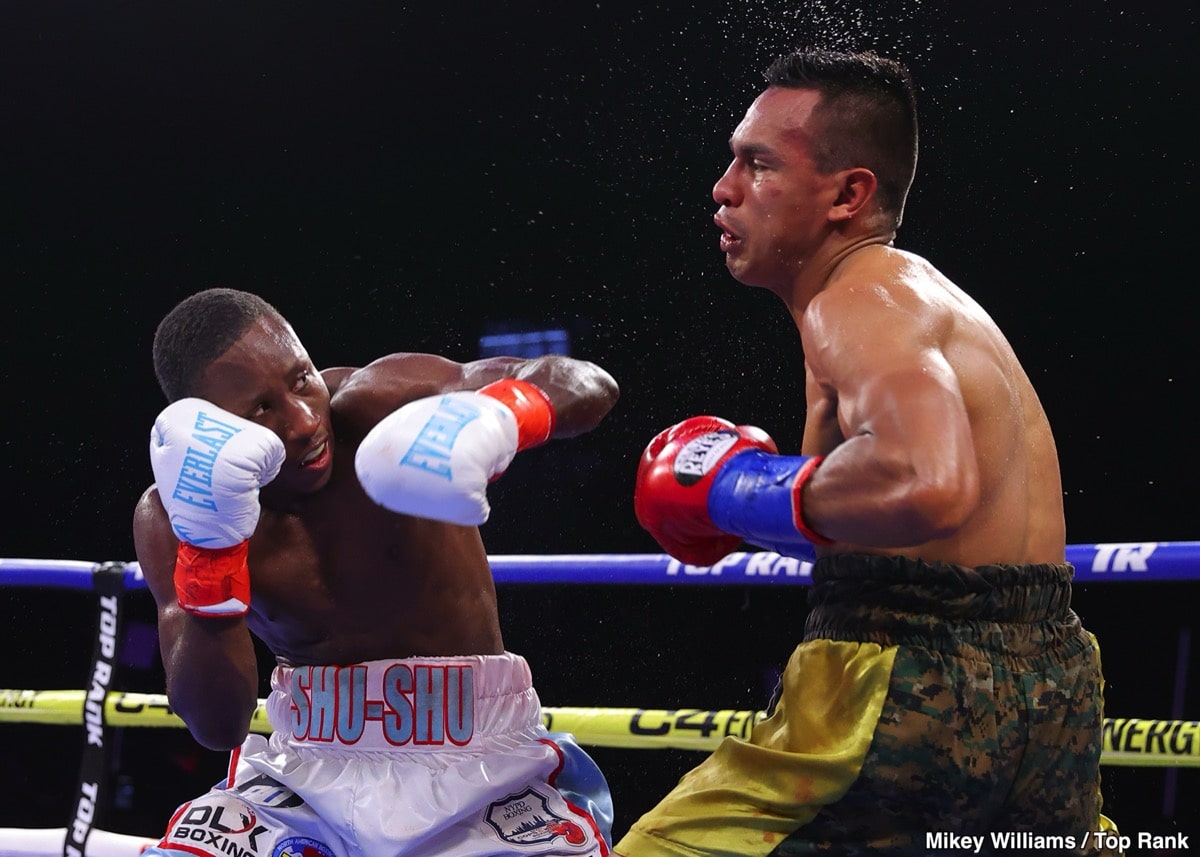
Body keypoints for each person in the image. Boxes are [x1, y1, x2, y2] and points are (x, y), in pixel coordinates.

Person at [616, 49, 1119, 856]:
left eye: (758, 163)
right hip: (1051, 683)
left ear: (849, 193)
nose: (724, 186)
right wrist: (766, 502)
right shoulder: (927, 300)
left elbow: (926, 479)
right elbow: (899, 512)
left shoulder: (859, 295)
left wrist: (730, 489)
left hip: (904, 681)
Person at [132, 287, 620, 857]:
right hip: (304, 775)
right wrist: (211, 556)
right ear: (213, 427)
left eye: (300, 379)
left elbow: (586, 382)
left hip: (481, 762)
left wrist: (504, 411)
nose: (305, 419)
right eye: (261, 408)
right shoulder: (174, 514)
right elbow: (217, 727)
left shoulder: (377, 404)